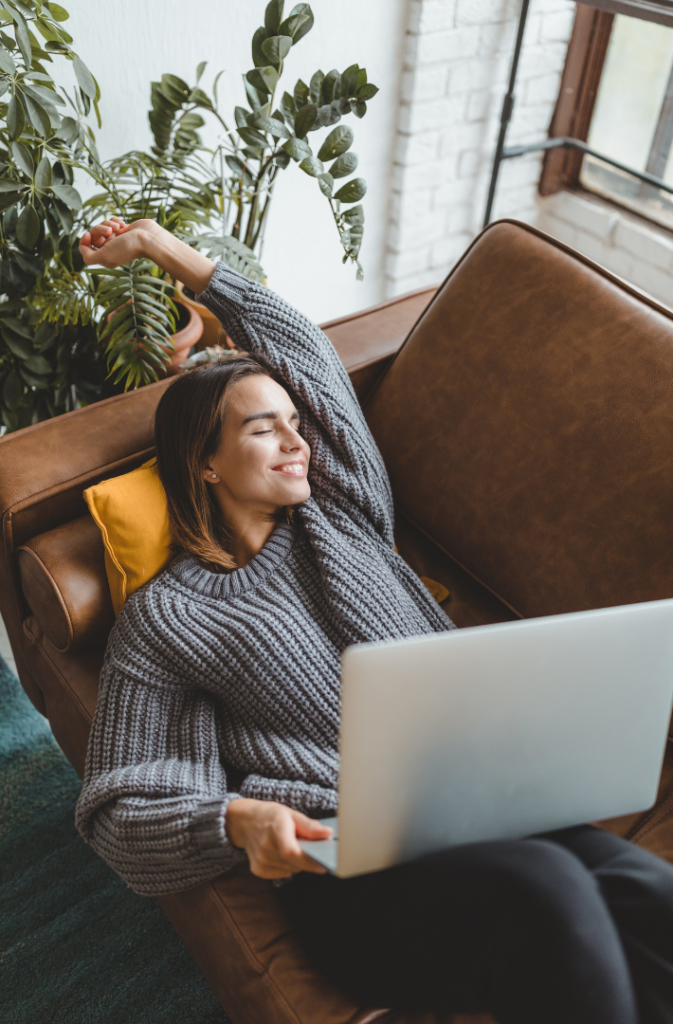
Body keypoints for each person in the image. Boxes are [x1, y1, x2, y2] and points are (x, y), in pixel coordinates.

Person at [76, 217, 673, 1024]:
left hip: (481, 802)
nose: (298, 442)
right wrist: (234, 819)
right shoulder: (168, 617)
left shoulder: (344, 511)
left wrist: (164, 249)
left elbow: (309, 357)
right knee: (549, 889)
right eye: (264, 427)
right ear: (205, 463)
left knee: (646, 890)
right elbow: (121, 802)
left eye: (295, 422)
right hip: (352, 869)